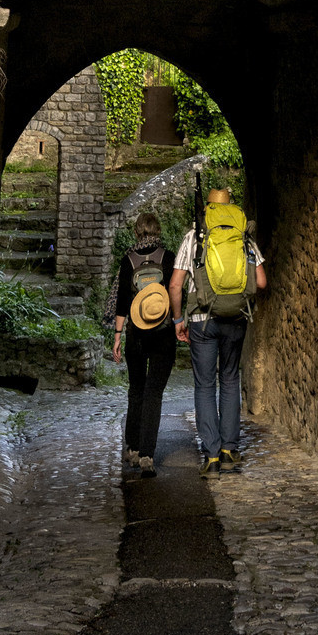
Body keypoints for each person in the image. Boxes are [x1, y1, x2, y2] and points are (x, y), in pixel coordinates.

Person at [169, 185, 267, 474]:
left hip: (202, 320)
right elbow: (261, 282)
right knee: (230, 379)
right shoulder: (243, 237)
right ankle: (229, 449)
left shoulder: (195, 236)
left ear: (207, 209)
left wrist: (178, 320)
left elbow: (175, 284)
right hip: (235, 318)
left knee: (205, 385)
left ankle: (211, 455)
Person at [107, 214, 176, 474]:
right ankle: (147, 455)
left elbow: (122, 301)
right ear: (158, 231)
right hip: (163, 333)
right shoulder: (167, 258)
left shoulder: (129, 260)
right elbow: (175, 293)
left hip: (136, 333)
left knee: (136, 390)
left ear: (137, 232)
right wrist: (179, 322)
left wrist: (117, 336)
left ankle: (133, 448)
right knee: (153, 393)